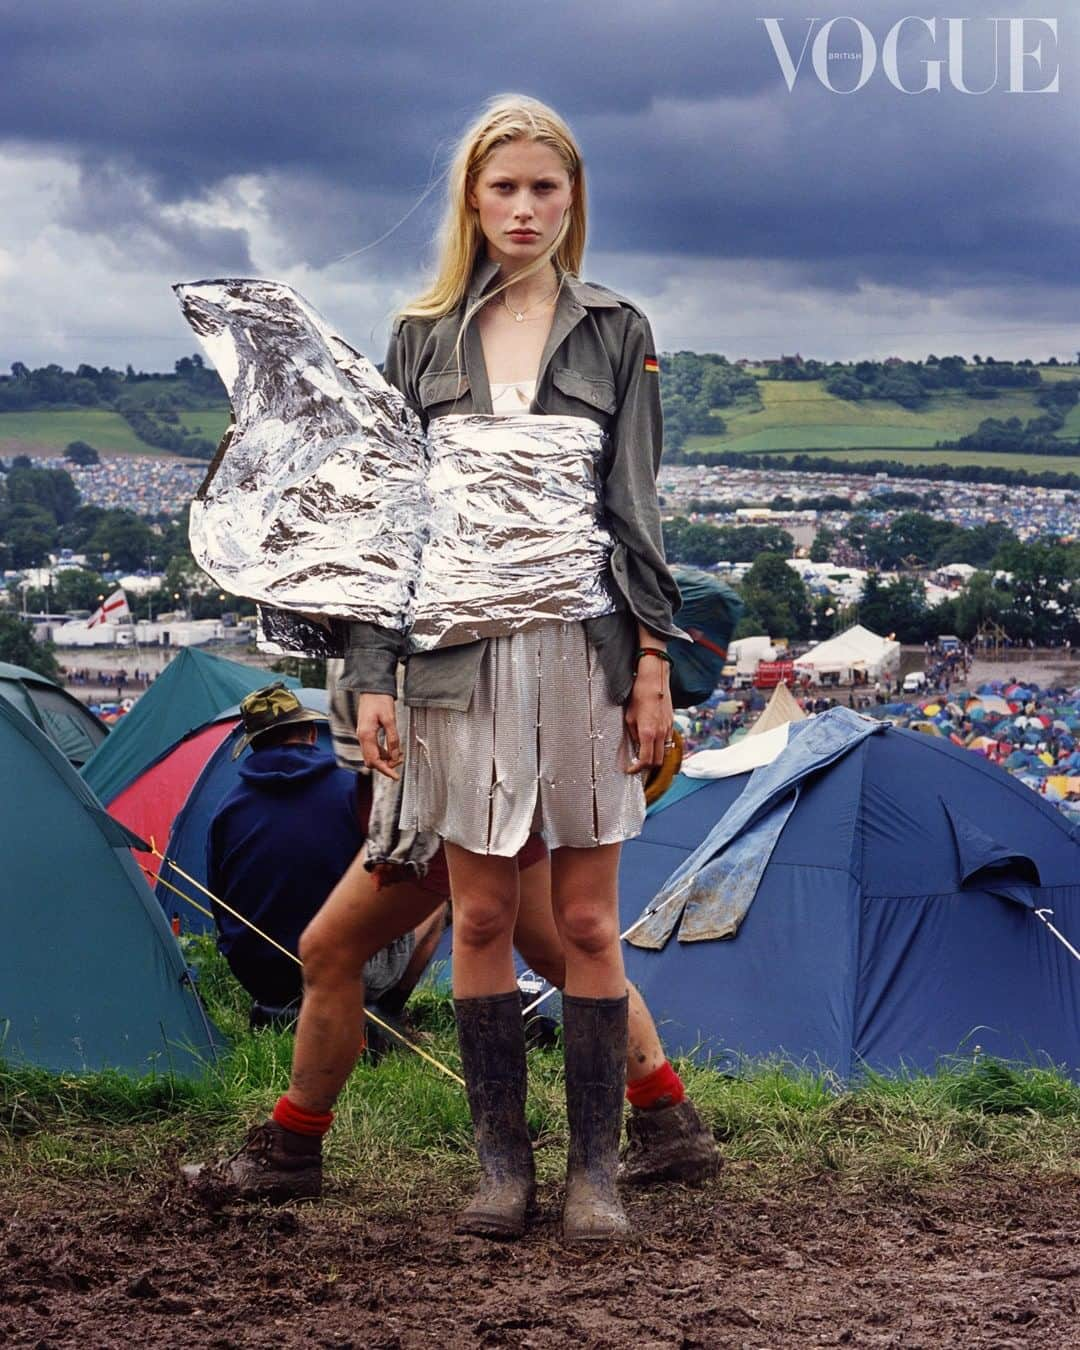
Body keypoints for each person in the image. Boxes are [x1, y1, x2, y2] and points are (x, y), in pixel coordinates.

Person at [347, 94, 685, 1243]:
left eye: (547, 186)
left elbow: (633, 513)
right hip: (452, 663)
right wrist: (372, 673)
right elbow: (383, 526)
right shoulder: (417, 339)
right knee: (483, 912)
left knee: (588, 925)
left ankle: (596, 1173)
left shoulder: (618, 329)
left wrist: (651, 665)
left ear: (573, 197)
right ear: (473, 201)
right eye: (505, 188)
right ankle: (504, 1170)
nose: (526, 207)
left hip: (582, 656)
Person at [205, 683, 445, 1030]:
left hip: (261, 979)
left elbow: (220, 906)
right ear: (309, 733)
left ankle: (291, 1013)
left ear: (253, 745)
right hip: (344, 970)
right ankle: (385, 1017)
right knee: (434, 902)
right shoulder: (352, 789)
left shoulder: (226, 812)